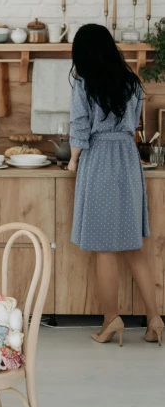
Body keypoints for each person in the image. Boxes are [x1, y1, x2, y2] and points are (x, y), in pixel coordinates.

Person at [67, 24, 163, 346]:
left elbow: (81, 126)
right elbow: (135, 123)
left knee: (104, 249)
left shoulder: (84, 83)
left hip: (99, 160)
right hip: (127, 158)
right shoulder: (132, 82)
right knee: (133, 248)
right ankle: (154, 321)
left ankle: (111, 320)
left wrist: (73, 160)